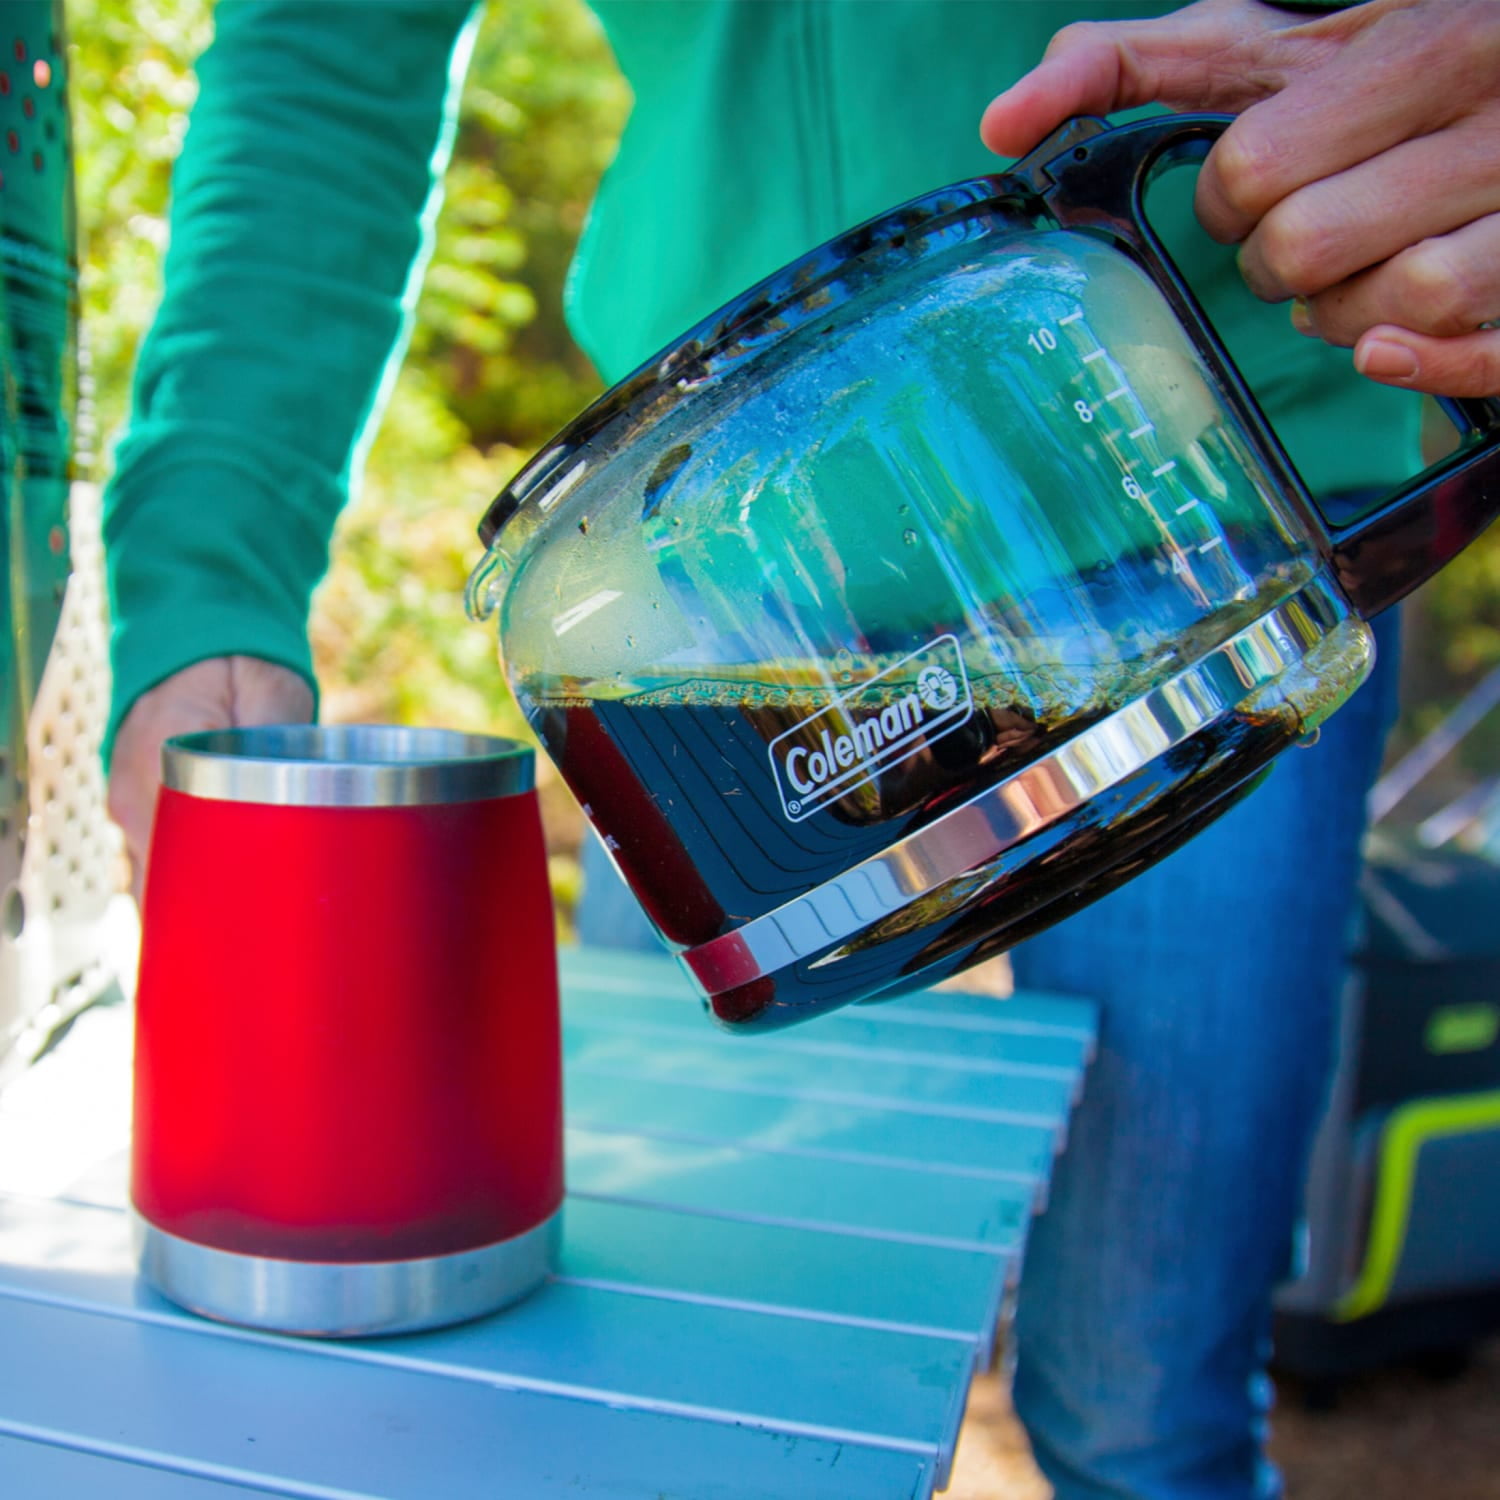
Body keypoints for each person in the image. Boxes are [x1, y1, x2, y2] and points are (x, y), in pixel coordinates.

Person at [100, 2, 1500, 1495]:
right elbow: (329, 53)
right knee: (690, 1368)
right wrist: (205, 583)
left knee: (1142, 1409)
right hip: (696, 589)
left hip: (1186, 476)